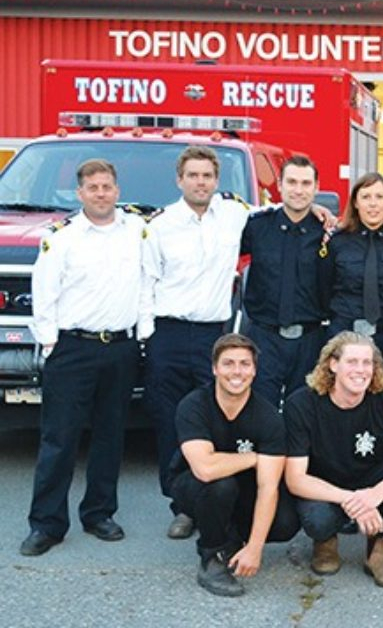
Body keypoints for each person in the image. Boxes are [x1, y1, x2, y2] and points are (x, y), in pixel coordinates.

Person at [21, 159, 145, 557]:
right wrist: (51, 343)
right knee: (60, 439)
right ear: (80, 193)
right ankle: (46, 524)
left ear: (117, 190)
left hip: (121, 349)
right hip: (73, 349)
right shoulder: (62, 238)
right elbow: (44, 294)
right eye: (92, 187)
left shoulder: (137, 232)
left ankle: (99, 514)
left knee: (110, 436)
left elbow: (146, 284)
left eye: (107, 186)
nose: (101, 193)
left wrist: (142, 334)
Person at [141, 145, 252, 541]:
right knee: (171, 424)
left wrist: (320, 212)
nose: (200, 182)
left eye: (207, 176)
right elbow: (146, 283)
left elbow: (274, 216)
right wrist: (147, 337)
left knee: (214, 421)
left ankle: (217, 498)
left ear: (216, 180)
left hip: (212, 334)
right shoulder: (160, 226)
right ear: (179, 179)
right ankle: (182, 507)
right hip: (167, 334)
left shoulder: (234, 215)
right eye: (193, 175)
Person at [284, 332, 383, 588]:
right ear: (333, 364)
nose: (361, 370)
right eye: (352, 362)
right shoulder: (302, 403)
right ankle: (325, 540)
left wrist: (376, 494)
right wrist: (354, 500)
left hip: (372, 480)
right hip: (325, 488)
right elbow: (295, 479)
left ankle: (378, 545)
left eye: (367, 363)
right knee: (318, 520)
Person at [170, 334, 300, 597]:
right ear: (214, 368)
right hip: (194, 486)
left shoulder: (268, 417)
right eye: (228, 363)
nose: (237, 371)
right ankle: (211, 557)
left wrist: (255, 548)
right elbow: (205, 468)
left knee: (285, 522)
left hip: (245, 490)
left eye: (244, 364)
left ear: (254, 370)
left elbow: (268, 487)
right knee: (219, 484)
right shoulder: (194, 405)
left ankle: (233, 539)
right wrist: (252, 458)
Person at [240, 156, 329, 408]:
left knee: (303, 413)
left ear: (316, 187)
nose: (298, 190)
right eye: (291, 182)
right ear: (279, 185)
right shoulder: (256, 226)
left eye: (305, 183)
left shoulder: (327, 232)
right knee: (260, 411)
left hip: (310, 340)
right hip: (263, 337)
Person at [319, 172, 383, 360]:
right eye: (366, 197)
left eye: (380, 197)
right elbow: (323, 288)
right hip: (343, 333)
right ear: (356, 203)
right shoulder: (336, 243)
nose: (373, 204)